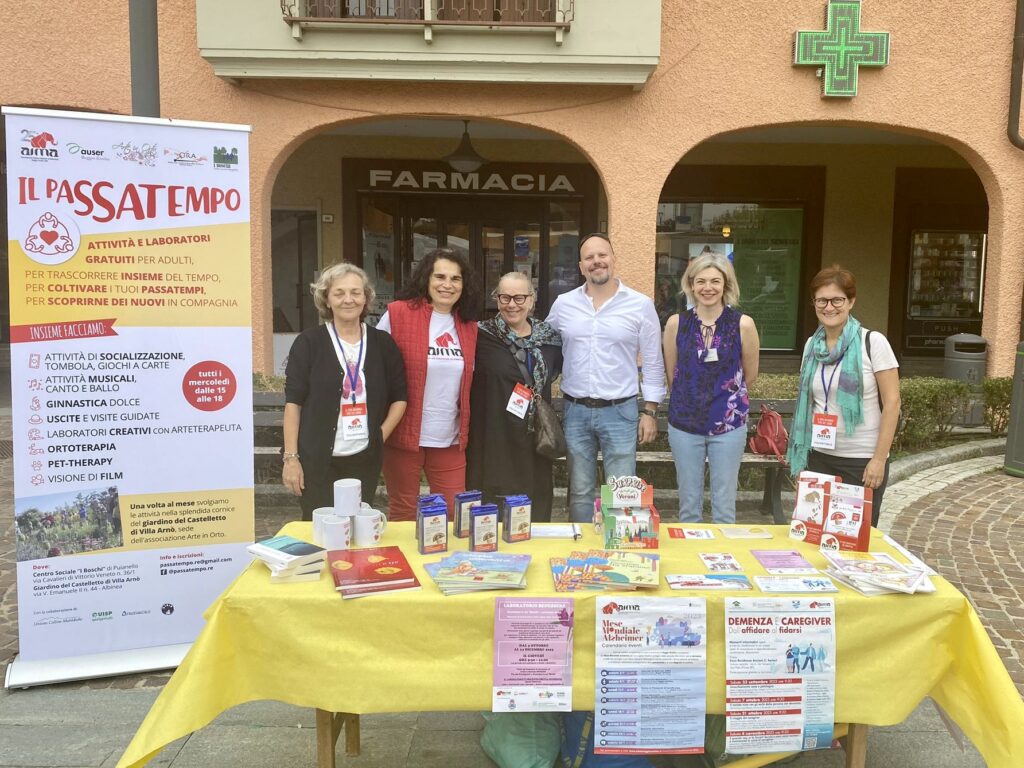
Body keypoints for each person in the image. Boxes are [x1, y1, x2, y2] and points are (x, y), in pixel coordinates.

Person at [546, 233, 666, 523]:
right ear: (580, 265)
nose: (596, 261)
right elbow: (545, 347)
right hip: (575, 411)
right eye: (589, 257)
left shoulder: (640, 305)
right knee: (579, 491)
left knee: (622, 491)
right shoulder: (563, 305)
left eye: (602, 255)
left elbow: (653, 360)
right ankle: (582, 553)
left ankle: (620, 553)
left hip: (621, 412)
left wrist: (650, 411)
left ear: (613, 259)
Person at [282, 263, 408, 521]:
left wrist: (378, 437)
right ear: (326, 299)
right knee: (320, 530)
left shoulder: (383, 344)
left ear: (366, 298)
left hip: (363, 459)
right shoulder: (309, 343)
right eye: (339, 293)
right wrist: (291, 459)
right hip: (316, 460)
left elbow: (400, 397)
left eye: (355, 292)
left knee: (357, 528)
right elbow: (293, 403)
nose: (348, 299)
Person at [786, 265, 901, 525]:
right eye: (822, 300)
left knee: (853, 542)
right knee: (813, 535)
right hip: (818, 458)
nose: (829, 307)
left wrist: (878, 460)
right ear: (813, 303)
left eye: (837, 300)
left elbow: (893, 403)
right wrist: (803, 462)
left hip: (860, 461)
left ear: (851, 301)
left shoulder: (873, 343)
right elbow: (812, 401)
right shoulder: (811, 346)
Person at [377, 247, 481, 521]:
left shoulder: (469, 326)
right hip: (404, 435)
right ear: (426, 279)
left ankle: (445, 565)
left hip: (449, 436)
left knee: (453, 513)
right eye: (440, 276)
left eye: (455, 279)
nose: (447, 285)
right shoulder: (397, 314)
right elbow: (375, 367)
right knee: (403, 512)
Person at [663, 252, 760, 523]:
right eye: (701, 281)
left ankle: (721, 563)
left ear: (726, 285)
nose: (708, 288)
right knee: (688, 504)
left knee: (724, 505)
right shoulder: (676, 324)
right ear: (691, 285)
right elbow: (673, 374)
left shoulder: (743, 324)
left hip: (728, 424)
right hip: (684, 424)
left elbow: (749, 375)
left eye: (715, 281)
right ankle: (690, 561)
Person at [467, 272, 563, 521]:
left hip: (535, 438)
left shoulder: (551, 340)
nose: (512, 304)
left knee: (535, 505)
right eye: (505, 297)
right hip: (494, 436)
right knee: (495, 506)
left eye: (519, 298)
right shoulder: (479, 336)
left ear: (532, 300)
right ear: (496, 300)